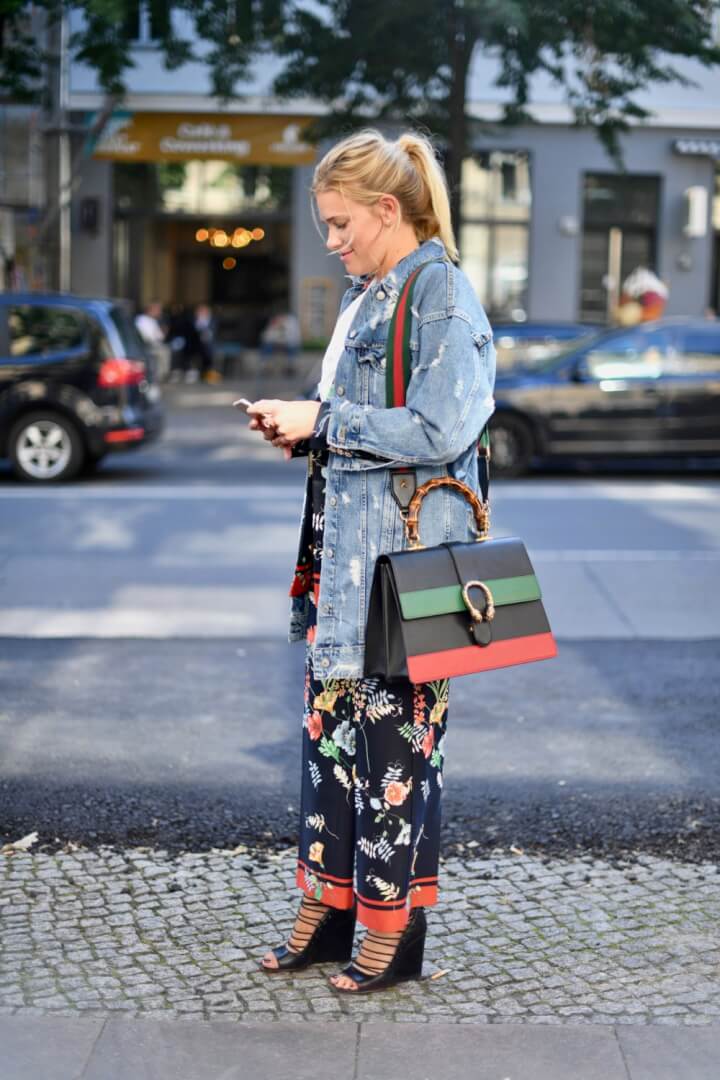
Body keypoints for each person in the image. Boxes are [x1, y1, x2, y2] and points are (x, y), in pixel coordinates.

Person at [246, 128, 496, 994]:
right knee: (330, 750)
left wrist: (327, 424)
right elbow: (354, 420)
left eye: (341, 223)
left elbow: (441, 428)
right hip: (346, 572)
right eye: (326, 225)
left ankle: (394, 930)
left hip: (405, 578)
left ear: (389, 211)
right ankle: (327, 907)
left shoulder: (441, 296)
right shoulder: (370, 296)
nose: (333, 240)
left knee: (393, 765)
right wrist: (301, 425)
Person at [135, 301, 170, 382]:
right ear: (151, 310)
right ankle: (160, 376)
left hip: (154, 344)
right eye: (158, 310)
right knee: (163, 351)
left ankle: (160, 376)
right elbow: (145, 336)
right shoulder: (141, 319)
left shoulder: (153, 321)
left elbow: (160, 336)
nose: (159, 312)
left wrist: (163, 332)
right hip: (145, 345)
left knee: (165, 350)